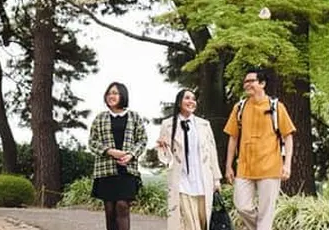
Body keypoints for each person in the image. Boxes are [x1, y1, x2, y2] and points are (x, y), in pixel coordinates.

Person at [224, 69, 295, 230]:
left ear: (262, 84)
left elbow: (288, 136)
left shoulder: (276, 107)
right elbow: (233, 137)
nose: (247, 84)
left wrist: (287, 164)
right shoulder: (239, 108)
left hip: (270, 167)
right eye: (245, 82)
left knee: (266, 212)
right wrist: (228, 165)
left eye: (251, 81)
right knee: (242, 206)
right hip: (244, 167)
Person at [156, 89, 223, 230]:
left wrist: (216, 179)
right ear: (179, 102)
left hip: (203, 179)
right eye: (187, 98)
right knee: (189, 222)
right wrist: (162, 148)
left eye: (193, 99)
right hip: (181, 180)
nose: (191, 101)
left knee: (204, 220)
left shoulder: (204, 124)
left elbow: (212, 152)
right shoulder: (167, 124)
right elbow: (165, 157)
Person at [88, 81, 147, 230]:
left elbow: (142, 139)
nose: (111, 96)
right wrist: (110, 151)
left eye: (114, 93)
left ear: (123, 95)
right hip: (106, 169)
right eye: (109, 93)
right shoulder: (100, 118)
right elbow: (92, 141)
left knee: (122, 206)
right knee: (109, 209)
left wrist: (131, 155)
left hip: (127, 169)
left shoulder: (134, 117)